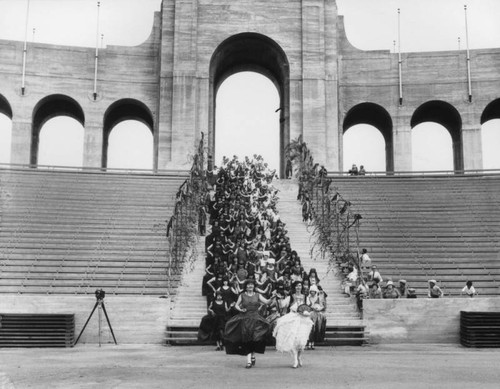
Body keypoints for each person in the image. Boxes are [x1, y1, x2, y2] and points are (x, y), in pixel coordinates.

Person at [224, 279, 274, 369]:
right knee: (247, 339)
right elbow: (236, 305)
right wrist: (240, 309)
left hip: (256, 319)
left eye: (252, 285)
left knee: (255, 339)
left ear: (254, 286)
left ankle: (253, 355)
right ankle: (248, 361)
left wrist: (273, 297)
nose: (250, 286)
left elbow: (267, 302)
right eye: (248, 285)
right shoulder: (242, 295)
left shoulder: (258, 295)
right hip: (245, 319)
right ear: (246, 286)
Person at [273, 294, 314, 368]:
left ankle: (299, 356)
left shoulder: (305, 297)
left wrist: (307, 312)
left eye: (299, 286)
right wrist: (280, 299)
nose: (298, 287)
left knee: (301, 342)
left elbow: (310, 307)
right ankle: (295, 359)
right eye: (297, 286)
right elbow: (282, 305)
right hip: (292, 319)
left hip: (303, 320)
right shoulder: (290, 297)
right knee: (293, 339)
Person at [306, 284, 326, 349]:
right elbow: (307, 305)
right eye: (311, 291)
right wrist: (312, 307)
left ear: (315, 292)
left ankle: (313, 343)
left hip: (317, 315)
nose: (312, 292)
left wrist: (319, 308)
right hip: (310, 314)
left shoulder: (318, 298)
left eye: (313, 291)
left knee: (315, 329)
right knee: (310, 329)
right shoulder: (308, 298)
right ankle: (309, 343)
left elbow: (322, 306)